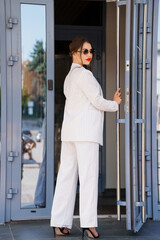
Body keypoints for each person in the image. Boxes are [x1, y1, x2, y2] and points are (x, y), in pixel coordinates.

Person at [50, 36, 122, 239]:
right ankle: (89, 225)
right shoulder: (85, 76)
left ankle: (59, 223)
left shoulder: (69, 77)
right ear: (74, 53)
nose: (89, 55)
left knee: (66, 178)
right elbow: (98, 101)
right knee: (88, 179)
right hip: (86, 135)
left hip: (70, 134)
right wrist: (115, 103)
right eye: (85, 51)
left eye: (91, 51)